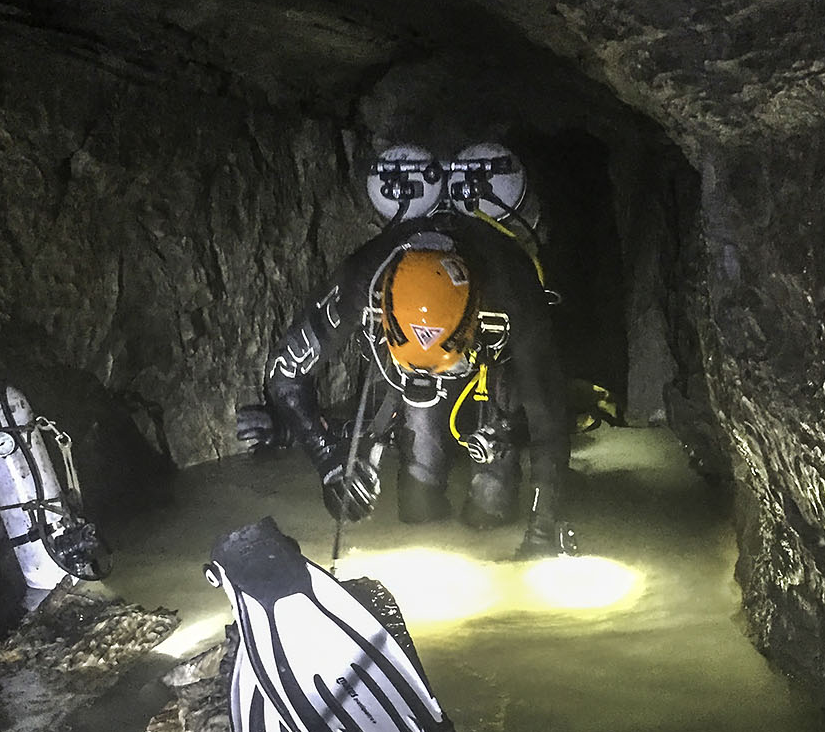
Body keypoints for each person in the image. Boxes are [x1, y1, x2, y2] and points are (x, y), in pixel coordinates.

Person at [240, 143, 576, 559]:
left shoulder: (513, 290)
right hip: (405, 379)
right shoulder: (363, 279)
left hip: (493, 369)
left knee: (490, 509)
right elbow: (286, 371)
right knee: (417, 507)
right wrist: (328, 460)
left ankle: (491, 481)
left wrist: (542, 533)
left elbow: (548, 420)